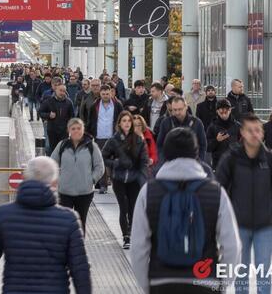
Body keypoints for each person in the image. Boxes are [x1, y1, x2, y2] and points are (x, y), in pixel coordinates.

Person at [130, 127, 241, 294]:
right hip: (205, 281)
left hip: (161, 281)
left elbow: (138, 246)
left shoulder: (148, 191)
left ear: (165, 153)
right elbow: (232, 245)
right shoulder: (215, 192)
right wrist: (222, 284)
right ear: (196, 153)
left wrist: (148, 285)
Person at [0, 156, 91, 294]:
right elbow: (80, 269)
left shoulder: (4, 215)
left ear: (24, 179)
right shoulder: (68, 219)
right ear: (54, 183)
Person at [216, 114, 272, 294]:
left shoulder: (269, 160)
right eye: (250, 130)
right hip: (239, 225)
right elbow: (218, 189)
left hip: (266, 226)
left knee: (264, 273)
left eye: (258, 130)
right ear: (242, 133)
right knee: (241, 273)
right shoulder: (231, 158)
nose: (255, 134)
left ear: (263, 133)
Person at [102, 111, 149, 249]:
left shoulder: (138, 139)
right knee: (123, 208)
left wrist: (142, 174)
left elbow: (144, 160)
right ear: (119, 123)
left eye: (129, 121)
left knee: (133, 208)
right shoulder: (113, 140)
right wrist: (115, 163)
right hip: (119, 178)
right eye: (124, 121)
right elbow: (104, 157)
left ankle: (132, 233)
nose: (127, 123)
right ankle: (125, 236)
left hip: (134, 178)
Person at [50, 118, 104, 231]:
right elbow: (51, 163)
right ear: (68, 130)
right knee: (64, 223)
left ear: (83, 130)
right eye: (73, 128)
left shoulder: (91, 146)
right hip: (65, 192)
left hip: (84, 192)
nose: (76, 131)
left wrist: (91, 180)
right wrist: (58, 180)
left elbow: (99, 167)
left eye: (79, 128)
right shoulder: (62, 145)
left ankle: (79, 247)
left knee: (80, 222)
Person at [87, 84, 123, 194]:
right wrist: (90, 133)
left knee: (115, 162)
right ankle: (103, 185)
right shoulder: (95, 106)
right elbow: (90, 120)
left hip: (114, 137)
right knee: (101, 161)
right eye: (103, 94)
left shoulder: (117, 105)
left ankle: (116, 184)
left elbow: (122, 119)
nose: (106, 96)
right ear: (100, 94)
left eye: (108, 93)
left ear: (111, 93)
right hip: (100, 137)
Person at [156, 97, 207, 162]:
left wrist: (199, 161)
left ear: (186, 107)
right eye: (174, 110)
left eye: (180, 109)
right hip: (171, 163)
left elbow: (203, 145)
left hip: (192, 163)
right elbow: (159, 145)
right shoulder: (166, 122)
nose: (177, 113)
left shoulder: (196, 123)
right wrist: (163, 160)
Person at [39, 84, 75, 155]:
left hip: (64, 131)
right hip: (52, 130)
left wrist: (70, 127)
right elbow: (40, 112)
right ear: (55, 90)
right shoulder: (49, 101)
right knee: (52, 149)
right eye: (60, 90)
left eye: (64, 91)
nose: (62, 93)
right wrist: (48, 115)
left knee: (63, 150)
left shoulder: (68, 102)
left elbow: (72, 116)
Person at [205, 99, 241, 170]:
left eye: (226, 110)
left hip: (235, 163)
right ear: (217, 111)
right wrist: (217, 140)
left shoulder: (238, 126)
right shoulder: (212, 127)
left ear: (230, 110)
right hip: (218, 164)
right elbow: (207, 147)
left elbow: (244, 144)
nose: (224, 112)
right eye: (221, 110)